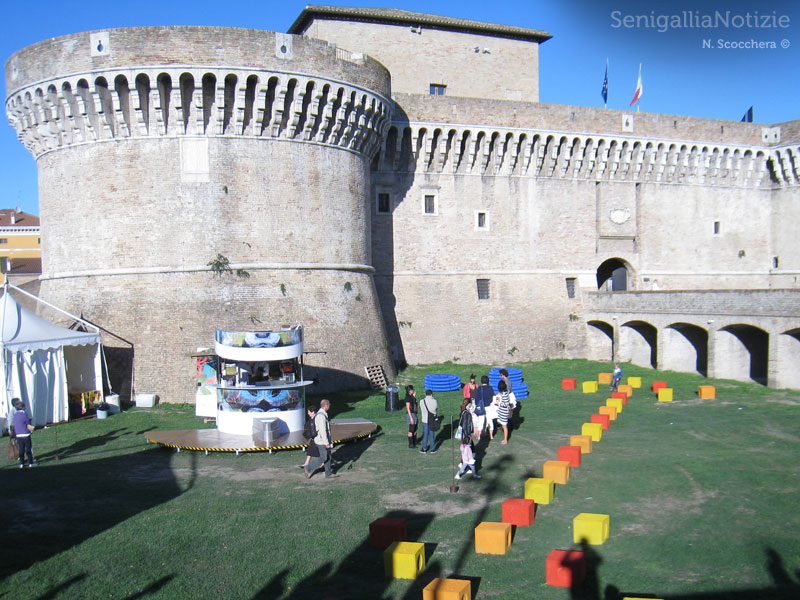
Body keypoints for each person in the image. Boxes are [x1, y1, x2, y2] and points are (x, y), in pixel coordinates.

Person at [304, 399, 338, 479]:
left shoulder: (321, 414)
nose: (329, 406)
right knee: (323, 457)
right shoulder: (321, 416)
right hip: (321, 441)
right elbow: (323, 431)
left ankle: (328, 473)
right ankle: (308, 467)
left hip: (322, 440)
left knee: (328, 456)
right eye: (329, 405)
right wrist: (326, 443)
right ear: (326, 406)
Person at [455, 398, 480, 480]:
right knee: (470, 451)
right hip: (466, 436)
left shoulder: (463, 411)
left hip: (465, 435)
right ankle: (463, 465)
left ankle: (465, 465)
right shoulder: (467, 413)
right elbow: (466, 425)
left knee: (470, 451)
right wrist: (468, 436)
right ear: (469, 404)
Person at [12, 398, 36, 468]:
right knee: (28, 448)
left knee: (21, 449)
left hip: (19, 435)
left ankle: (21, 463)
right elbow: (27, 423)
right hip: (25, 434)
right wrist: (31, 429)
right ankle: (30, 462)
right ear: (23, 407)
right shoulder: (24, 414)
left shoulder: (15, 415)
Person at [492, 380, 517, 445]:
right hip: (504, 411)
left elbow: (497, 403)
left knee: (504, 426)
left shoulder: (499, 395)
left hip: (502, 412)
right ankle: (505, 439)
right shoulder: (507, 393)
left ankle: (505, 440)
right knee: (502, 424)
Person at [472, 375, 494, 441]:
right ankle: (491, 436)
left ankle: (479, 436)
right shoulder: (490, 388)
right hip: (488, 406)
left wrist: (476, 406)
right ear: (488, 381)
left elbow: (476, 399)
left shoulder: (479, 388)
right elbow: (492, 398)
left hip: (481, 407)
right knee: (490, 421)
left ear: (481, 381)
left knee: (480, 422)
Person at [299, 405, 319, 470]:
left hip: (319, 438)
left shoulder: (318, 419)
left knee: (322, 452)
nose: (308, 413)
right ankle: (306, 463)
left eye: (309, 412)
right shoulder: (312, 419)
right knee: (310, 450)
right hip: (314, 438)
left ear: (313, 412)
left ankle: (322, 464)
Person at [419, 389, 438, 454]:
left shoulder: (421, 401)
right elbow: (435, 409)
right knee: (432, 434)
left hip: (425, 419)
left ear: (425, 394)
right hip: (432, 419)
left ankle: (424, 448)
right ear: (431, 394)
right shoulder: (434, 401)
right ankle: (433, 448)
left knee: (425, 434)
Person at [404, 385, 418, 449]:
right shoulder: (407, 398)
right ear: (410, 390)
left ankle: (415, 441)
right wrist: (411, 418)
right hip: (411, 414)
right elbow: (408, 408)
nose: (413, 390)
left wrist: (414, 396)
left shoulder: (411, 396)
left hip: (414, 414)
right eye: (412, 389)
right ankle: (411, 444)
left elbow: (414, 403)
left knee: (415, 429)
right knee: (411, 430)